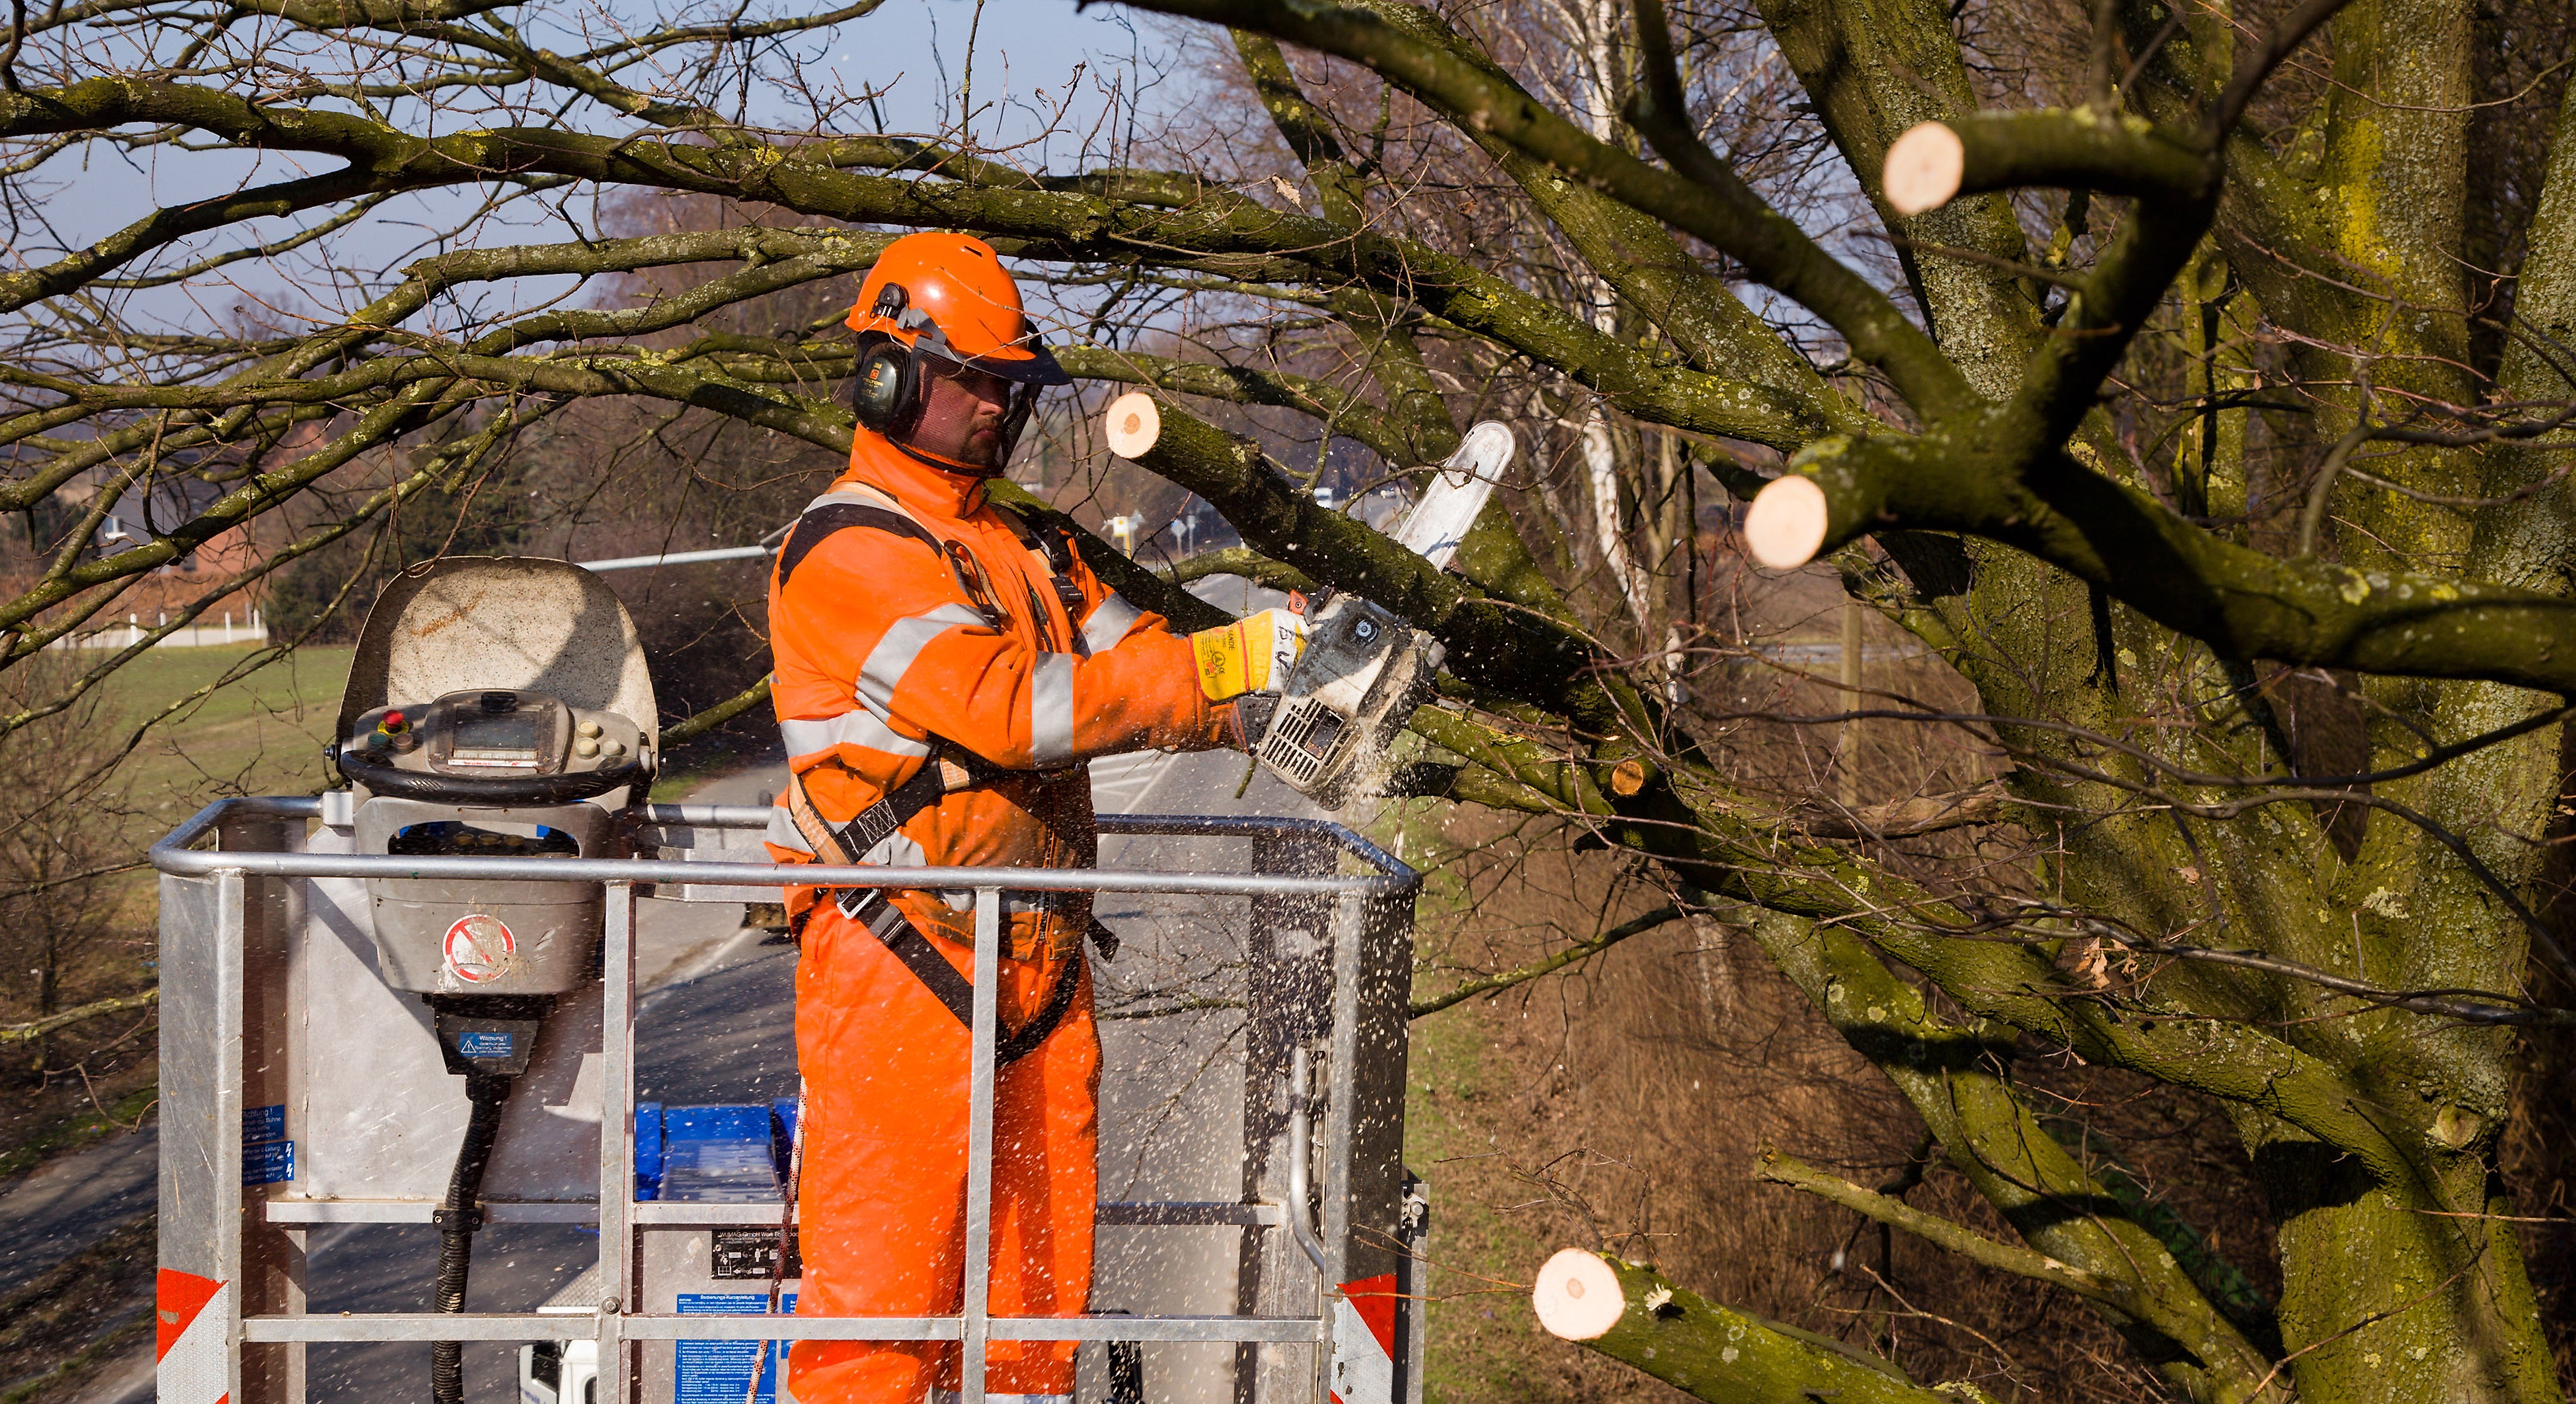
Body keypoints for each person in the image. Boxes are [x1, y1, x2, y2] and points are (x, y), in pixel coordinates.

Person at [763, 230, 1303, 1404]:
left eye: (1010, 390)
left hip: (1039, 962)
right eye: (977, 384)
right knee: (881, 1316)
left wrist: (1280, 675)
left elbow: (1156, 669)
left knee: (1031, 1313)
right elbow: (1010, 711)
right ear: (890, 373)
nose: (998, 412)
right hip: (898, 947)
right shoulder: (848, 547)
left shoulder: (1029, 548)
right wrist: (1216, 677)